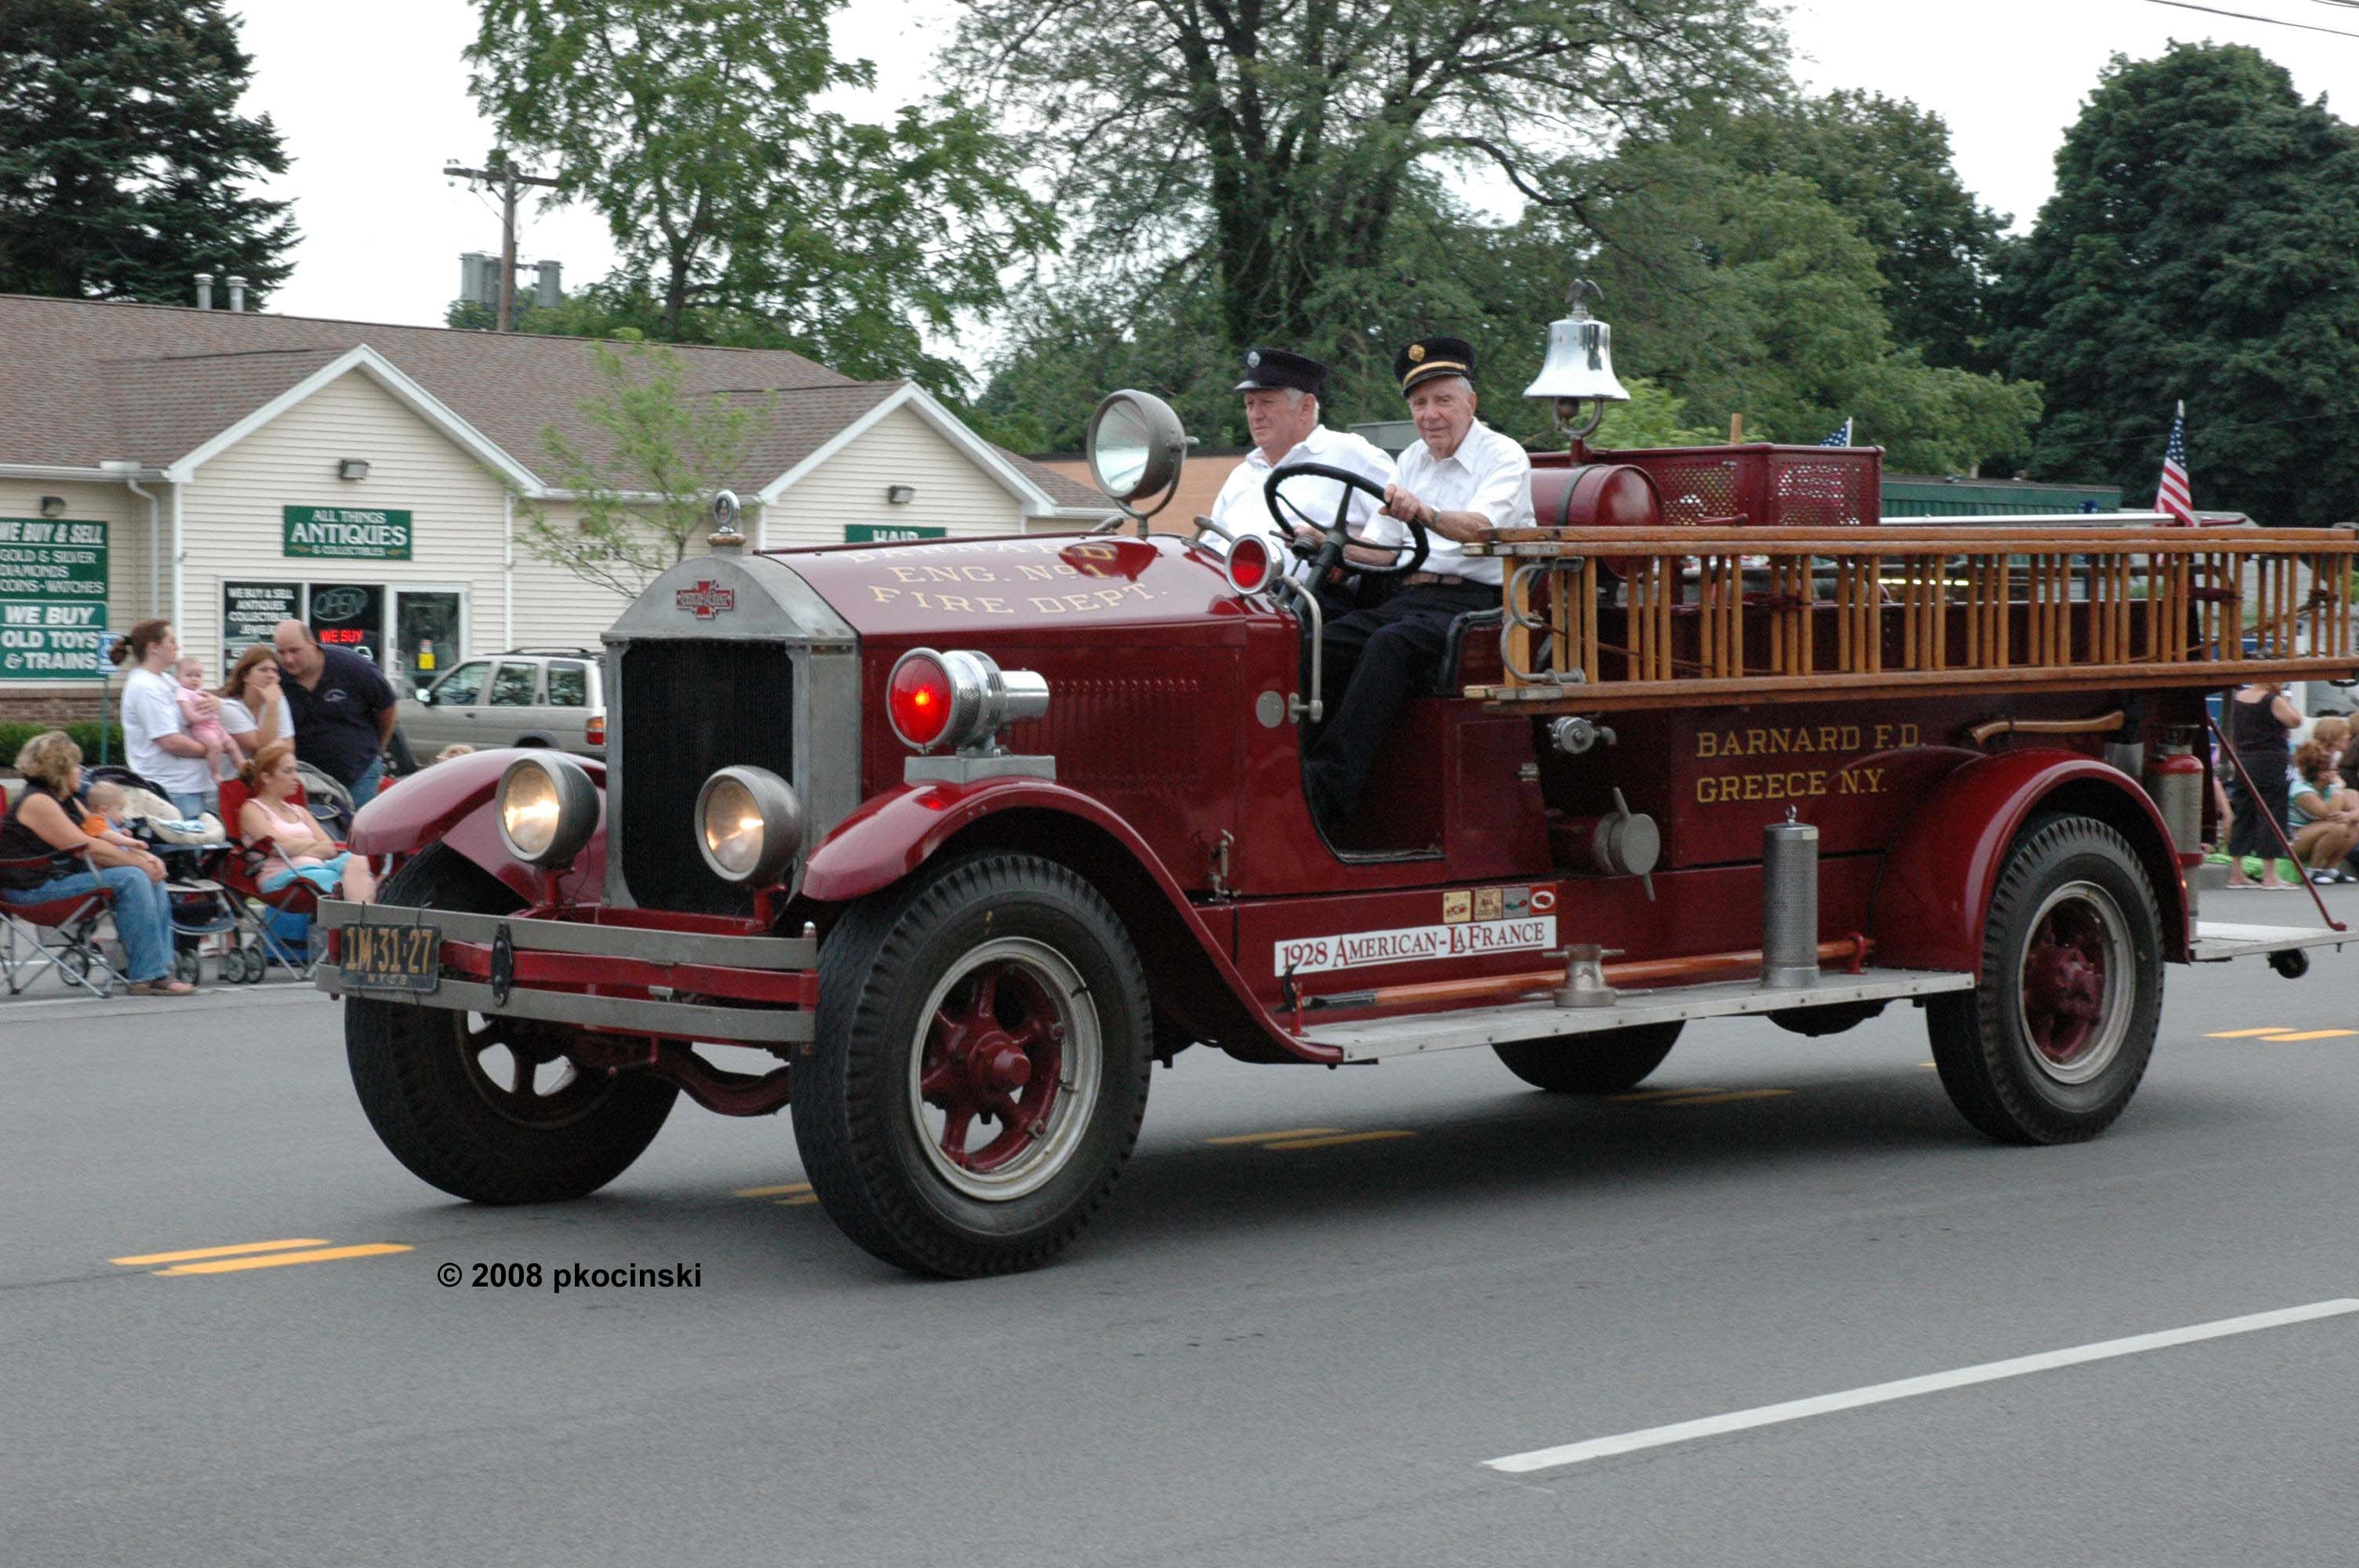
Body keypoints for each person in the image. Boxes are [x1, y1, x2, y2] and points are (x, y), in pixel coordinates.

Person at [1300, 336, 1532, 826]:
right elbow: (1383, 551)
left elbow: (1482, 529)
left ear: (1471, 403)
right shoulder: (1411, 460)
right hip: (1411, 597)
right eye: (1419, 403)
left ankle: (1330, 788)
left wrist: (1425, 512)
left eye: (1443, 400)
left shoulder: (1503, 456)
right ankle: (1285, 768)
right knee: (1313, 640)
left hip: (1480, 608)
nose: (1430, 415)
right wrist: (1328, 542)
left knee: (1390, 643)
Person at [0, 731, 193, 995]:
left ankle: (159, 971)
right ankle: (148, 975)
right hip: (31, 891)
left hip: (57, 880)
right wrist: (138, 864)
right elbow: (84, 847)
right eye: (76, 766)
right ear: (59, 769)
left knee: (147, 874)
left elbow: (99, 835)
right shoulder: (37, 802)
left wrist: (145, 858)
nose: (81, 771)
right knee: (133, 877)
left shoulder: (67, 800)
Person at [1204, 348, 1395, 604]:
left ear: (1306, 406)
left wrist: (1340, 550)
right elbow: (1209, 547)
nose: (1255, 414)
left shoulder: (1353, 455)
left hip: (1307, 605)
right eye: (1250, 404)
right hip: (1228, 601)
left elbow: (1395, 536)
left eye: (1267, 402)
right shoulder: (1242, 474)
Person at [236, 741, 376, 906]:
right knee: (353, 880)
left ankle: (359, 925)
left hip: (320, 868)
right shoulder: (253, 809)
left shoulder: (299, 811)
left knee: (358, 860)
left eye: (295, 770)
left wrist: (296, 847)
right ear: (266, 777)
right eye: (288, 771)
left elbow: (329, 848)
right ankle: (360, 926)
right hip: (282, 875)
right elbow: (277, 847)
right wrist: (310, 844)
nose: (296, 778)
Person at [273, 619, 396, 803]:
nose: (288, 659)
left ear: (312, 644)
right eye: (281, 652)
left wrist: (379, 748)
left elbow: (387, 705)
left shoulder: (350, 666)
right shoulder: (276, 677)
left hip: (358, 773)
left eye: (294, 651)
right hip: (305, 777)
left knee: (360, 828)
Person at [111, 619, 215, 819]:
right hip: (173, 788)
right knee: (189, 847)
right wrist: (211, 750)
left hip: (191, 784)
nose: (178, 647)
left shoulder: (165, 680)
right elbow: (169, 741)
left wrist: (215, 704)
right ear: (154, 648)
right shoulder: (144, 687)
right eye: (172, 641)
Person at [2224, 681, 2301, 888]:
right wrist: (2285, 700)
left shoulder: (2239, 698)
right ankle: (2269, 875)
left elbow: (2234, 733)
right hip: (2270, 760)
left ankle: (2236, 873)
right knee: (2272, 813)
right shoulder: (2272, 700)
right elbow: (2295, 721)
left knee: (2243, 812)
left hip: (2244, 760)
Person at [2288, 739, 2359, 881]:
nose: (2337, 772)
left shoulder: (2328, 789)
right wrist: (2338, 787)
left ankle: (2329, 869)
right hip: (2294, 841)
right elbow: (2329, 814)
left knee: (2354, 825)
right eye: (2333, 770)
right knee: (2337, 826)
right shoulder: (2303, 791)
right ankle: (2313, 871)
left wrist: (2350, 816)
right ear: (2322, 774)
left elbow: (2355, 810)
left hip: (2319, 834)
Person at [174, 656, 243, 778]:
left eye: (198, 676)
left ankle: (242, 766)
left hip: (215, 726)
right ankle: (215, 773)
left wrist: (215, 706)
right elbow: (189, 715)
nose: (194, 679)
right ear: (178, 678)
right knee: (215, 746)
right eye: (189, 675)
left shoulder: (200, 691)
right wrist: (204, 717)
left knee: (232, 744)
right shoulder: (182, 692)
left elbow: (215, 704)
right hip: (201, 728)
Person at [216, 644, 289, 758]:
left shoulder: (277, 699)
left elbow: (289, 746)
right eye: (263, 670)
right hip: (229, 774)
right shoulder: (228, 707)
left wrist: (273, 703)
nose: (271, 675)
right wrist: (272, 705)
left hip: (263, 773)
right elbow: (262, 747)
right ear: (245, 676)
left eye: (274, 671)